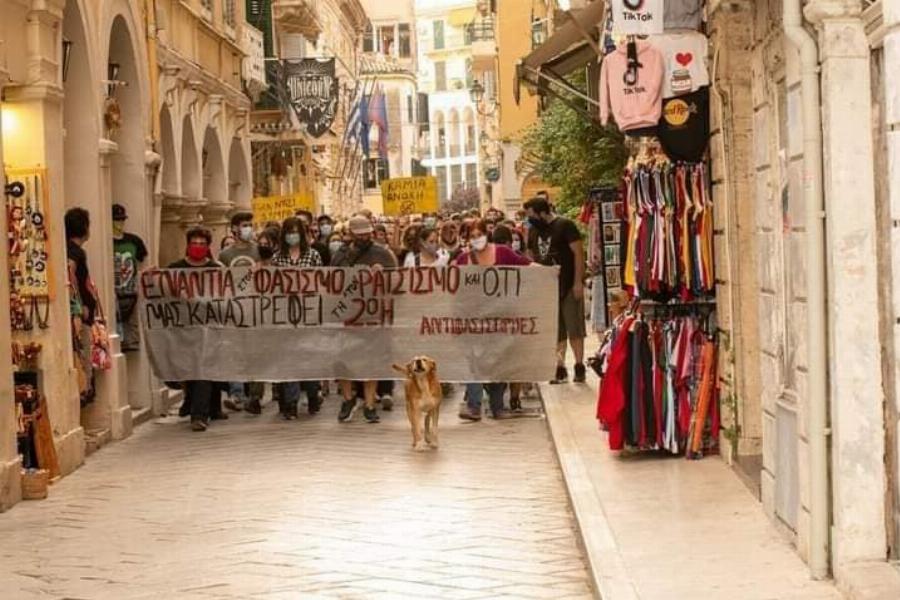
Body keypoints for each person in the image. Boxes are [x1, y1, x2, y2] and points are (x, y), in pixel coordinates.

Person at [454, 219, 532, 421]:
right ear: (467, 239)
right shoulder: (463, 259)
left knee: (497, 361)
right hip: (473, 320)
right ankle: (474, 406)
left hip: (500, 318)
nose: (476, 239)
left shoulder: (503, 253)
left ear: (486, 235)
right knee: (474, 362)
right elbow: (446, 280)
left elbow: (526, 265)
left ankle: (498, 407)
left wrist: (549, 271)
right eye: (472, 236)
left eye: (479, 234)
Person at [331, 215, 398, 423]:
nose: (364, 237)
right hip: (347, 315)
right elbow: (331, 281)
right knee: (343, 361)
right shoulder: (340, 255)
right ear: (350, 234)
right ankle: (348, 398)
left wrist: (383, 275)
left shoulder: (382, 253)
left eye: (367, 234)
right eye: (360, 234)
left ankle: (369, 404)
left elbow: (396, 281)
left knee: (371, 361)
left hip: (372, 316)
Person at [524, 196, 587, 384]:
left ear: (542, 212)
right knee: (555, 330)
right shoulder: (533, 231)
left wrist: (578, 282)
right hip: (548, 288)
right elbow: (531, 256)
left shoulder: (565, 226)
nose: (530, 219)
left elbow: (578, 253)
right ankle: (559, 366)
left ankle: (579, 364)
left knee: (574, 327)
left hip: (567, 284)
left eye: (532, 215)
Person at [169, 227, 225, 431]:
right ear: (188, 244)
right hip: (183, 331)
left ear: (208, 247)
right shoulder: (175, 269)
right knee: (188, 371)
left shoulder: (216, 269)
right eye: (195, 243)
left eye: (202, 244)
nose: (198, 247)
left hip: (208, 330)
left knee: (203, 370)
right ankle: (194, 401)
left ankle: (199, 415)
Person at [272, 217, 324, 419]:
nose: (292, 235)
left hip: (308, 315)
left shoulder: (313, 256)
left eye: (295, 231)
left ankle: (313, 395)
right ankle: (291, 402)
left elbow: (322, 283)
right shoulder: (278, 258)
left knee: (308, 357)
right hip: (284, 315)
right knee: (289, 359)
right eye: (288, 231)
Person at [217, 212, 260, 412]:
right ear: (234, 229)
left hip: (257, 309)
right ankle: (236, 394)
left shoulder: (259, 251)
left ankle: (254, 395)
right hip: (233, 309)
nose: (248, 228)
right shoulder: (225, 255)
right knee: (234, 351)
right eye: (244, 225)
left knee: (254, 352)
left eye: (250, 225)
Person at [66, 208, 99, 405]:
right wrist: (79, 306)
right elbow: (72, 277)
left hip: (80, 311)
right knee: (82, 358)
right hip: (80, 314)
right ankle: (84, 394)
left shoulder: (70, 250)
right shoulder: (75, 252)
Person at [111, 203, 147, 353]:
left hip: (131, 292)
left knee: (131, 337)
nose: (120, 223)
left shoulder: (134, 242)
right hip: (113, 294)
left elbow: (142, 264)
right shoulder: (107, 242)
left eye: (122, 220)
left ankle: (131, 344)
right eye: (116, 220)